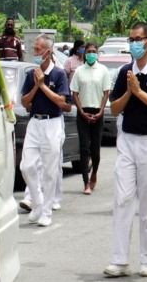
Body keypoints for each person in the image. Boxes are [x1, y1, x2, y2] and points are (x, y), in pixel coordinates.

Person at [105, 21, 147, 278]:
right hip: (127, 141)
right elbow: (114, 108)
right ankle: (119, 259)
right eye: (131, 39)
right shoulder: (124, 72)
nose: (134, 43)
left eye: (138, 39)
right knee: (122, 199)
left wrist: (139, 91)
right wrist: (130, 92)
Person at [19, 34, 71, 227]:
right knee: (27, 166)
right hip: (35, 122)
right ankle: (38, 203)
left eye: (39, 49)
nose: (35, 52)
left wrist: (42, 85)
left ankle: (46, 211)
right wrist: (35, 86)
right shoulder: (30, 74)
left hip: (52, 124)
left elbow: (62, 102)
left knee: (50, 171)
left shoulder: (59, 74)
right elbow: (25, 102)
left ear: (48, 52)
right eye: (35, 49)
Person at [71, 42, 111, 194]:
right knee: (84, 148)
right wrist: (81, 111)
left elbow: (106, 92)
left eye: (94, 51)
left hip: (97, 112)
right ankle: (86, 182)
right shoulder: (79, 71)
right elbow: (74, 92)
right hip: (83, 112)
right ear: (84, 53)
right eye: (89, 51)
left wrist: (101, 111)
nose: (91, 54)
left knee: (95, 149)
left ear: (97, 53)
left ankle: (94, 173)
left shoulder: (103, 70)